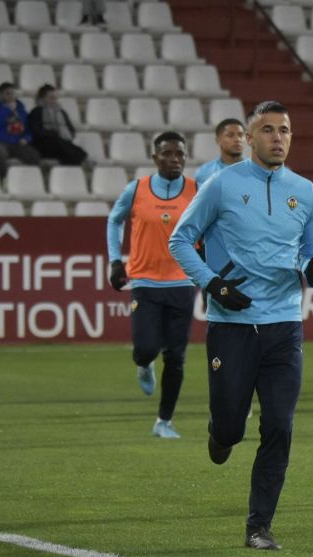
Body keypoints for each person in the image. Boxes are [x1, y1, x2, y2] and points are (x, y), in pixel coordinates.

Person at [169, 101, 313, 550]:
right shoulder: (221, 184)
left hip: (284, 325)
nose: (278, 138)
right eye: (268, 129)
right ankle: (220, 433)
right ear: (251, 137)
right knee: (230, 430)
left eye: (285, 130)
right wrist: (213, 284)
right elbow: (180, 240)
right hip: (231, 326)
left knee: (279, 425)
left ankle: (259, 526)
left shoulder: (306, 192)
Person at [106, 131, 197, 440]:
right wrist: (115, 260)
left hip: (182, 283)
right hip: (145, 283)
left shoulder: (196, 191)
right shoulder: (137, 189)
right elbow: (114, 220)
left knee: (176, 357)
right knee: (145, 349)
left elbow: (210, 227)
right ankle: (144, 364)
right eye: (168, 154)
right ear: (155, 157)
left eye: (180, 154)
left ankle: (164, 421)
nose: (175, 159)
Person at [0, 82, 40, 179]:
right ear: (1, 95)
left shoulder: (21, 111)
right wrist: (8, 112)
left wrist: (26, 138)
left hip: (16, 143)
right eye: (7, 93)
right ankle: (3, 180)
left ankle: (31, 180)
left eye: (13, 93)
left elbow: (28, 130)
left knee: (33, 155)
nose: (11, 96)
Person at [28, 84, 89, 166]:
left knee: (67, 153)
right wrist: (52, 133)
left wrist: (65, 135)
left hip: (60, 144)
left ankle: (77, 164)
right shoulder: (36, 112)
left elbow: (71, 130)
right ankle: (84, 158)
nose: (54, 100)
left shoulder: (61, 112)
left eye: (55, 98)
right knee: (64, 146)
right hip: (43, 145)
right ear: (42, 98)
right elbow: (35, 130)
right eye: (51, 98)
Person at [194, 118, 246, 187]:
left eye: (241, 135)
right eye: (230, 135)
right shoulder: (204, 173)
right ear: (217, 140)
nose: (237, 139)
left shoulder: (257, 170)